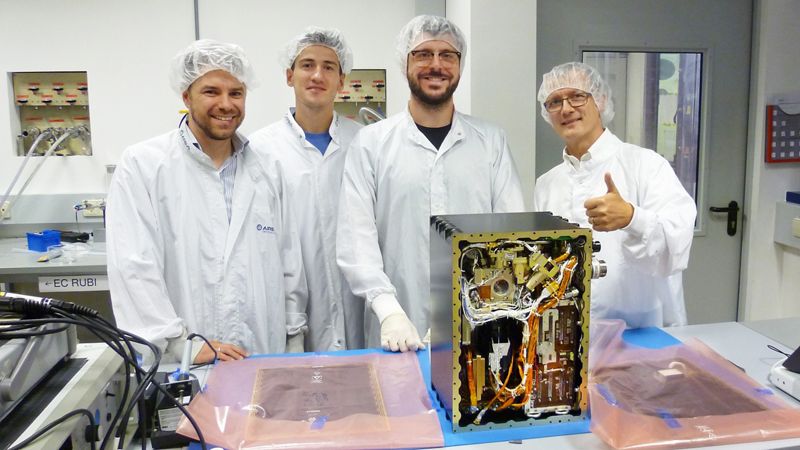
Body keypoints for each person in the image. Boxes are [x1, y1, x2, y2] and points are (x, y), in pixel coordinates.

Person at [107, 39, 307, 364]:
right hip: (183, 363)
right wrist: (180, 345)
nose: (226, 104)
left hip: (262, 358)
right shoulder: (144, 165)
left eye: (236, 93)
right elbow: (133, 267)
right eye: (211, 92)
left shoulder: (267, 169)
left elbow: (289, 262)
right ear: (186, 96)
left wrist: (294, 340)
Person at [337, 15, 525, 352]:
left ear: (460, 65)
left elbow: (511, 233)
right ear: (405, 63)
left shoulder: (491, 142)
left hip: (480, 323)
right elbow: (356, 239)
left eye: (447, 55)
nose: (436, 65)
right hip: (397, 327)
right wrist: (389, 311)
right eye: (423, 54)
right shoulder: (371, 144)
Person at [533, 61, 696, 328]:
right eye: (554, 102)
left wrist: (632, 218)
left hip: (642, 331)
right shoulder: (547, 184)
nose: (566, 108)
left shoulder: (646, 165)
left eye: (577, 96)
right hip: (569, 334)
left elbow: (676, 246)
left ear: (600, 100)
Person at [249, 27, 363, 351]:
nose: (317, 75)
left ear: (342, 81)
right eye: (307, 65)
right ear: (289, 76)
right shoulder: (260, 149)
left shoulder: (364, 142)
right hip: (290, 315)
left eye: (329, 67)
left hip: (359, 308)